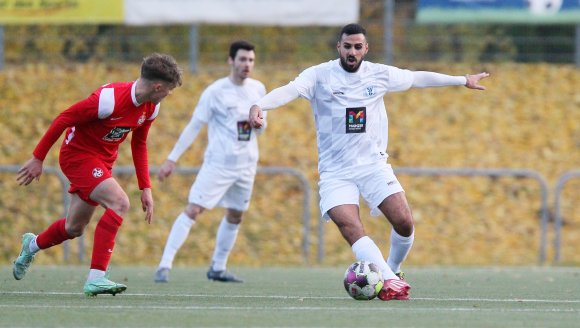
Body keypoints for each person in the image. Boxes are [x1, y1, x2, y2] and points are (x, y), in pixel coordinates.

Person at [248, 23, 490, 301]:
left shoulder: (379, 74)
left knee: (404, 222)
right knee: (351, 227)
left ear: (366, 48)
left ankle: (394, 270)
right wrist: (260, 105)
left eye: (357, 46)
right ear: (339, 47)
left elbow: (416, 78)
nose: (352, 52)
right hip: (335, 172)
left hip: (373, 166)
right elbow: (289, 90)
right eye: (347, 46)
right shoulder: (319, 75)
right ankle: (388, 281)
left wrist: (462, 79)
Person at [14, 53, 183, 296]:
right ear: (157, 86)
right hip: (77, 156)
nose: (169, 94)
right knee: (119, 202)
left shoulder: (151, 107)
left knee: (75, 227)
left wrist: (145, 187)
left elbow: (139, 144)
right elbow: (64, 118)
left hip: (102, 162)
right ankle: (97, 277)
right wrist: (38, 157)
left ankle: (30, 245)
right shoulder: (108, 100)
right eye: (168, 90)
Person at [153, 40, 266, 283]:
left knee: (236, 215)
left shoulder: (258, 89)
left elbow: (260, 128)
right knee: (194, 209)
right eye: (243, 59)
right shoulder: (215, 92)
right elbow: (195, 126)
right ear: (231, 61)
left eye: (251, 60)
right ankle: (165, 264)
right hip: (218, 164)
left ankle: (218, 267)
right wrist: (172, 159)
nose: (247, 64)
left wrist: (259, 124)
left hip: (246, 165)